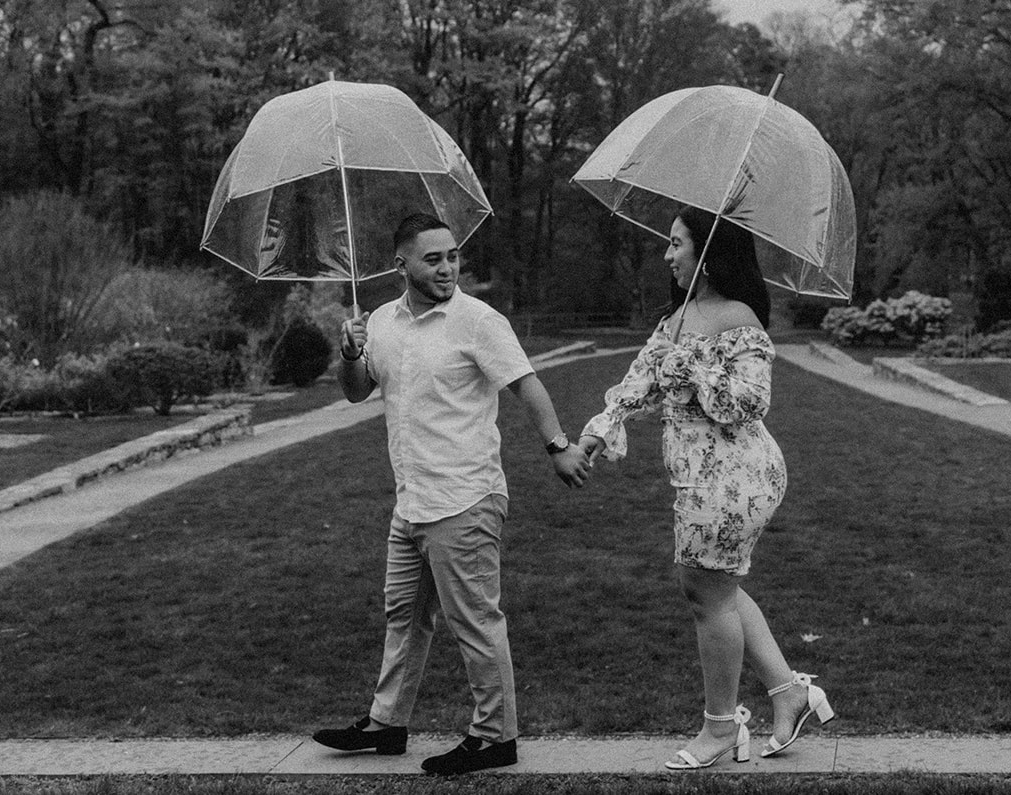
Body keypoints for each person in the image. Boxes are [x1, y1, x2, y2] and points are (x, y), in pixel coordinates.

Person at [311, 212, 591, 776]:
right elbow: (356, 392)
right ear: (402, 265)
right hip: (410, 499)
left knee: (475, 620)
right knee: (403, 618)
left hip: (465, 497)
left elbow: (525, 383)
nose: (447, 267)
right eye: (433, 258)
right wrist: (348, 353)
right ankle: (387, 724)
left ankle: (495, 737)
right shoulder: (382, 323)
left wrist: (558, 444)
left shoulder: (477, 320)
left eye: (453, 256)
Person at [576, 206, 834, 770]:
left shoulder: (740, 317)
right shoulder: (677, 317)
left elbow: (749, 403)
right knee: (717, 588)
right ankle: (789, 693)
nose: (667, 254)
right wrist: (598, 432)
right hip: (697, 476)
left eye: (676, 244)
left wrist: (692, 364)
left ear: (707, 255)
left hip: (738, 473)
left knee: (705, 591)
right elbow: (638, 381)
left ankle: (719, 727)